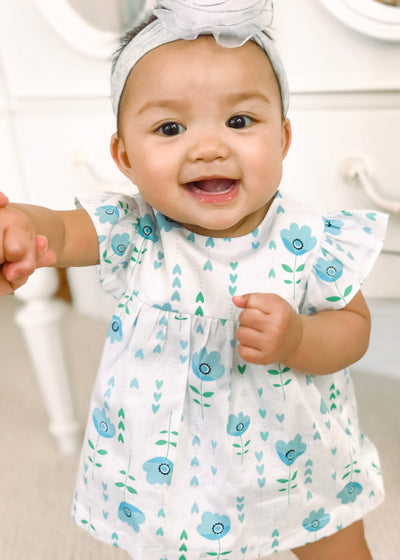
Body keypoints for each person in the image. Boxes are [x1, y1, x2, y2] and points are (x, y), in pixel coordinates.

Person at [0, 1, 388, 559]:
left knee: (337, 543)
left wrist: (298, 340)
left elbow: (353, 328)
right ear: (125, 156)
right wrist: (19, 227)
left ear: (282, 139)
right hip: (174, 471)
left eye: (238, 121)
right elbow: (58, 232)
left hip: (298, 457)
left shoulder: (311, 238)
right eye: (170, 127)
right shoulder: (136, 231)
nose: (208, 147)